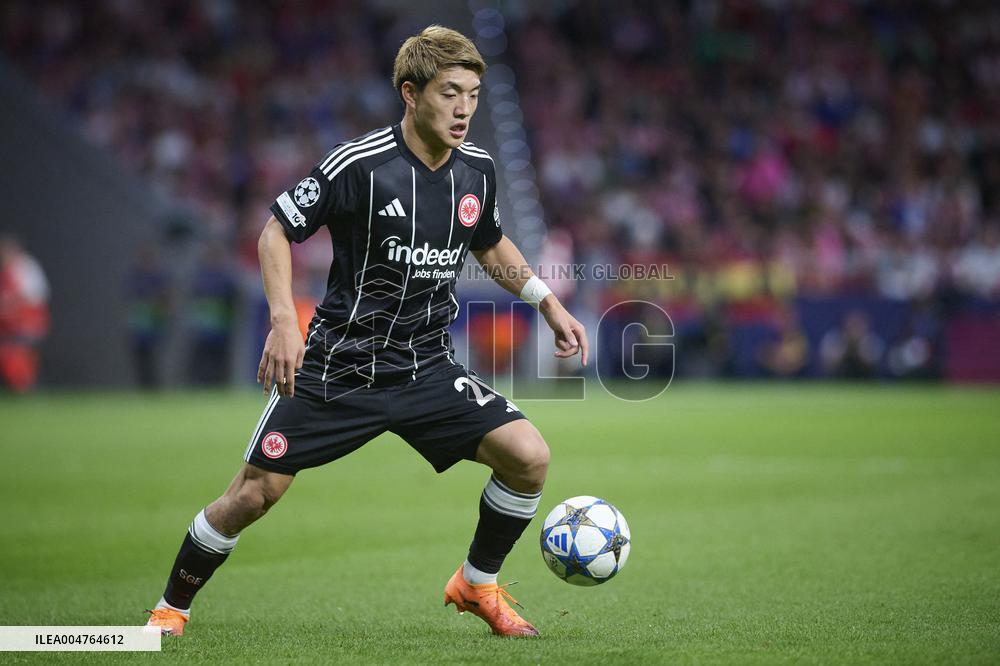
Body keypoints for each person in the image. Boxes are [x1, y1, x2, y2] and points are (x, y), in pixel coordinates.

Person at [145, 26, 588, 638]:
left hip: (427, 368)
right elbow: (275, 230)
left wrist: (545, 301)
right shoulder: (359, 165)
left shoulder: (478, 172)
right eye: (449, 92)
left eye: (474, 94)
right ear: (411, 93)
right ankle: (171, 608)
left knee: (529, 458)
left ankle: (477, 584)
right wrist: (282, 320)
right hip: (339, 368)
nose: (464, 109)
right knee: (253, 494)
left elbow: (487, 243)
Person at [0, 234, 50, 392]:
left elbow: (34, 296)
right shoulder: (5, 271)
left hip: (26, 322)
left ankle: (25, 386)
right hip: (7, 325)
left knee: (20, 353)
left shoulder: (26, 268)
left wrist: (11, 305)